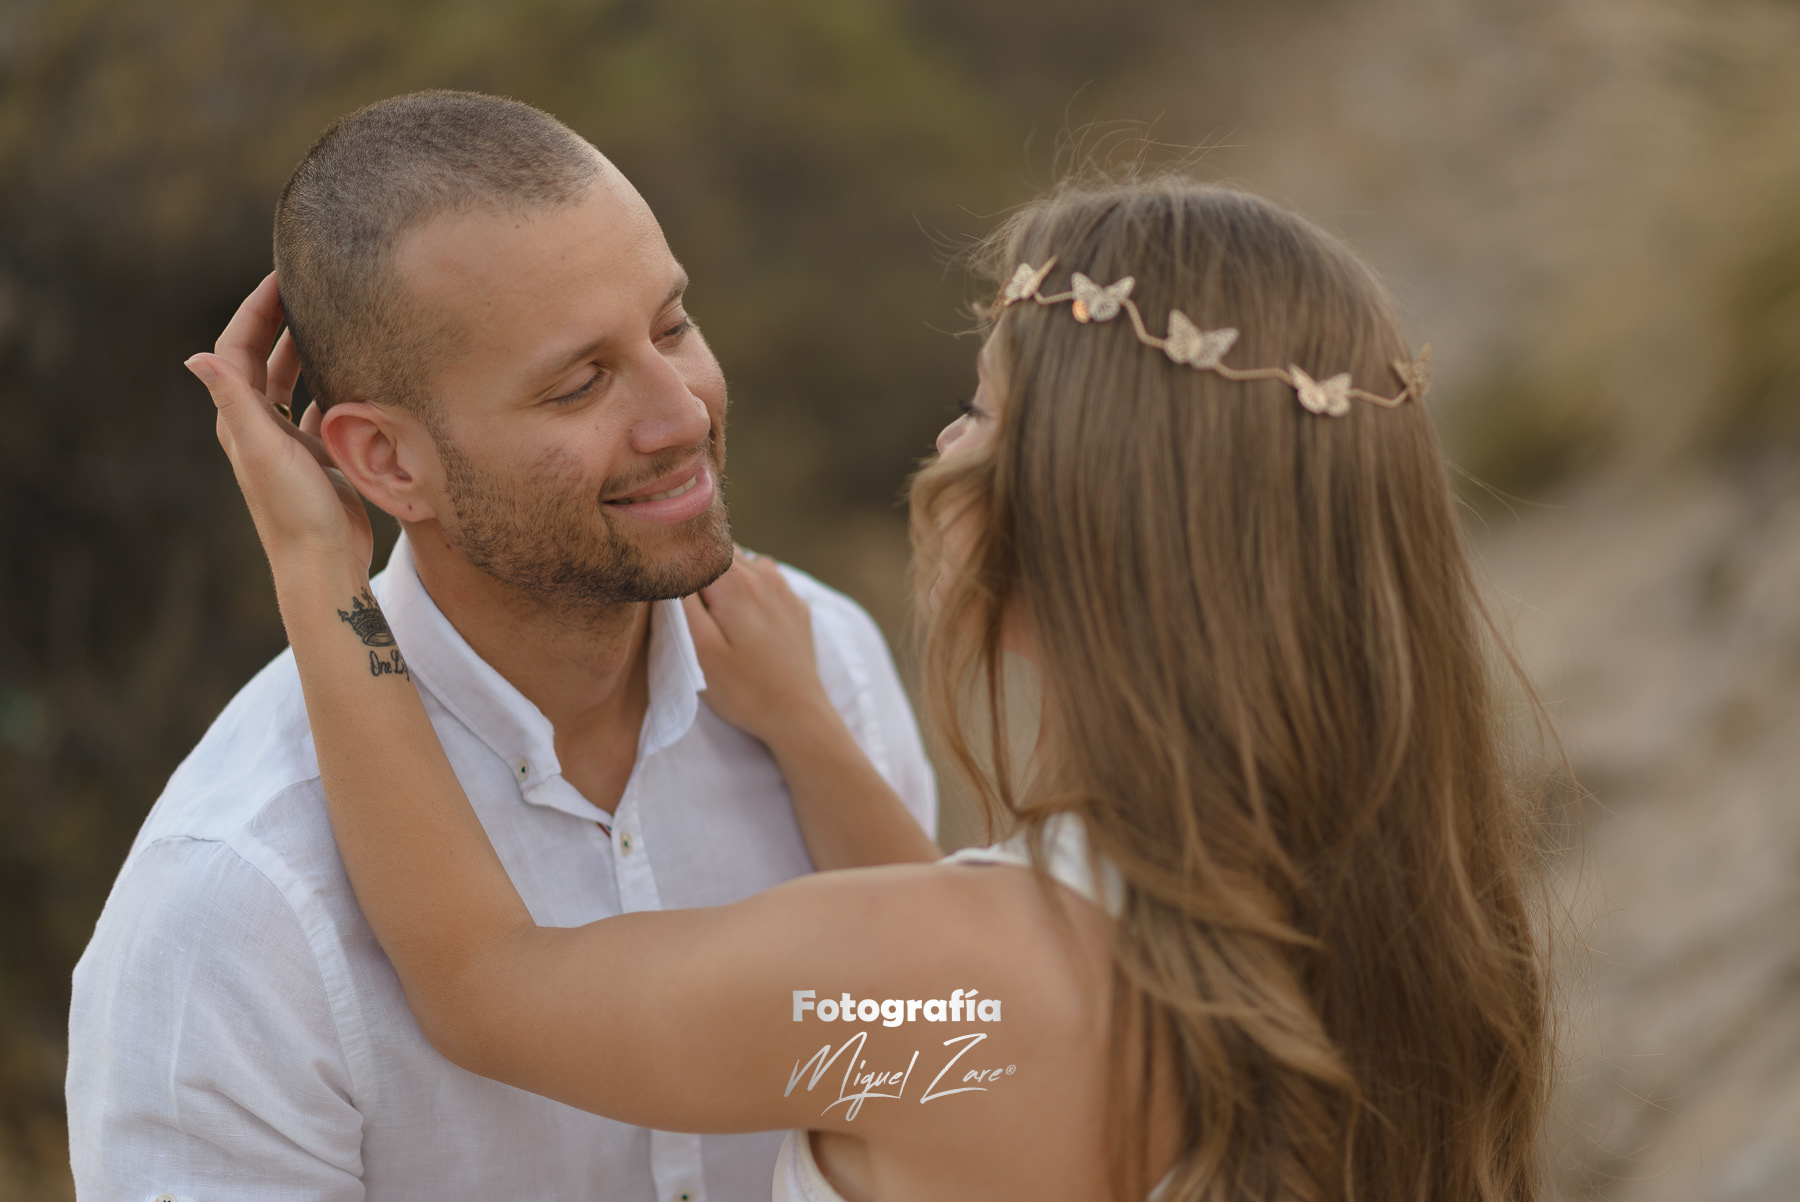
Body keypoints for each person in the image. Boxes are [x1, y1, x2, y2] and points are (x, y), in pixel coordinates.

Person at [196, 174, 1554, 1202]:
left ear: (1073, 527)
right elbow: (966, 1005)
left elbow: (489, 982)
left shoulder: (963, 983)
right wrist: (812, 739)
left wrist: (324, 569)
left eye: (978, 413)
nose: (943, 454)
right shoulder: (1408, 928)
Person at [66, 92, 937, 1202]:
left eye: (673, 325)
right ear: (383, 460)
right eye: (580, 382)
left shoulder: (825, 673)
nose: (683, 414)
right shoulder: (237, 901)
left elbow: (928, 1092)